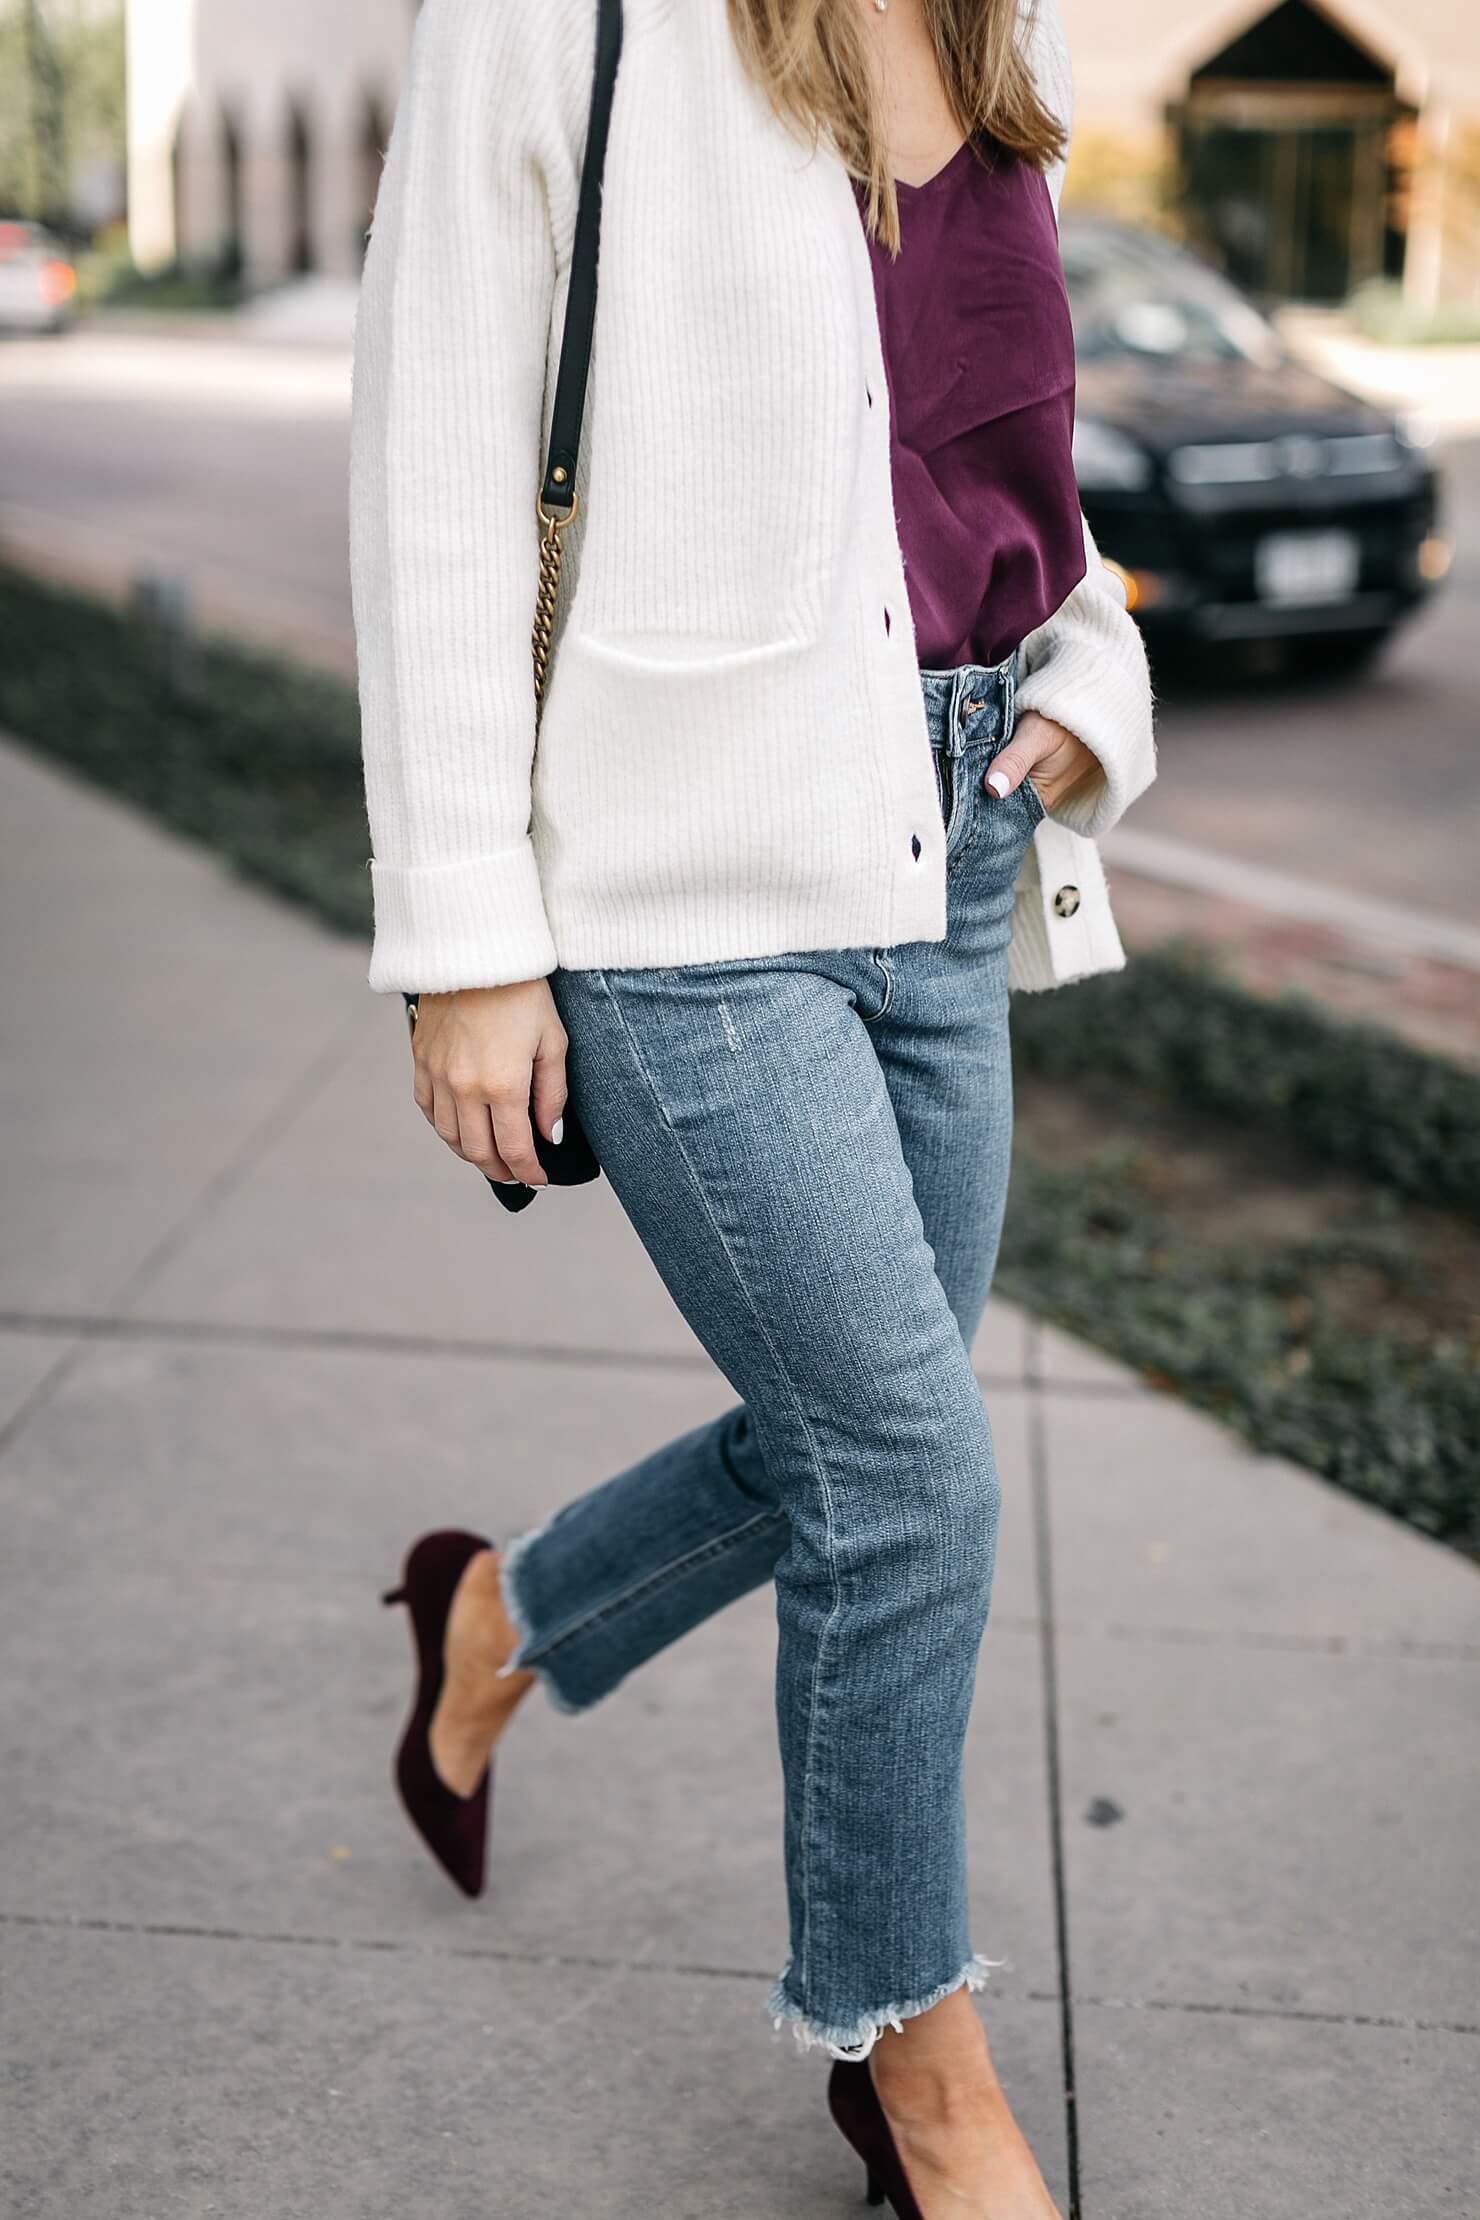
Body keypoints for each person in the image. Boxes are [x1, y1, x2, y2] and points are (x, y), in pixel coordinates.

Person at [350, 0, 1154, 2210]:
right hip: (683, 887)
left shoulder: (1008, 18)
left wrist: (1090, 675)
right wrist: (466, 940)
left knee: (855, 1430)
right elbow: (436, 454)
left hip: (954, 824)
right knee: (906, 1474)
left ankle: (504, 1618)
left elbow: (1001, 448)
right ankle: (913, 2071)